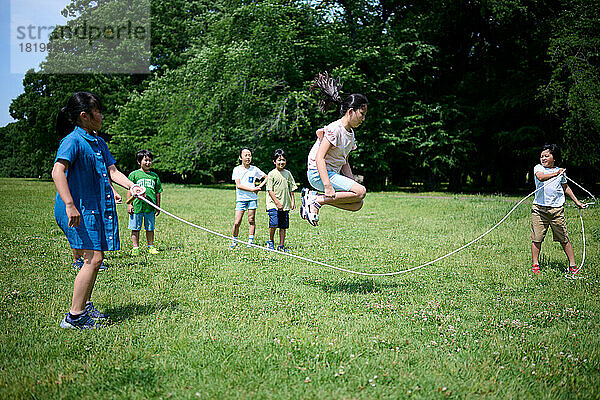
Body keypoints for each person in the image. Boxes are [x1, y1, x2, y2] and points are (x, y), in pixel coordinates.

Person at [52, 92, 145, 329]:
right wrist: (70, 205)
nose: (102, 116)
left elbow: (112, 171)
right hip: (77, 209)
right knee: (94, 258)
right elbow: (57, 172)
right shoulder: (72, 141)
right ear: (84, 115)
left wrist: (132, 186)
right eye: (98, 111)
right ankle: (74, 316)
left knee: (93, 259)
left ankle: (84, 305)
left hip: (90, 209)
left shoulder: (98, 142)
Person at [301, 71, 368, 226]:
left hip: (329, 174)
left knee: (357, 203)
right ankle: (316, 200)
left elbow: (345, 161)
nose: (363, 119)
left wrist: (350, 183)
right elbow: (319, 157)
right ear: (351, 112)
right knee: (361, 192)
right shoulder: (335, 129)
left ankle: (317, 199)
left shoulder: (350, 134)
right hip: (318, 174)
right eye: (362, 114)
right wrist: (327, 186)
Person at [530, 144, 587, 275]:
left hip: (557, 211)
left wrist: (577, 202)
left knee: (564, 238)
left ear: (554, 158)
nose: (543, 158)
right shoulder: (538, 168)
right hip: (539, 210)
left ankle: (572, 265)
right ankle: (535, 265)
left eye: (546, 156)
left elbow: (565, 187)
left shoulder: (560, 172)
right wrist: (556, 173)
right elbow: (540, 177)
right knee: (537, 238)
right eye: (541, 156)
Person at [127, 150, 163, 255]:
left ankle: (150, 246)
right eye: (145, 160)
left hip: (150, 207)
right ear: (139, 161)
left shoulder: (154, 176)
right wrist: (129, 204)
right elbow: (129, 190)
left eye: (150, 160)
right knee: (135, 228)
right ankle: (135, 248)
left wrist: (158, 206)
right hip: (137, 206)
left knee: (150, 228)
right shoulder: (134, 174)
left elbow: (157, 192)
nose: (148, 163)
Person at [231, 147, 266, 248]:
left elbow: (266, 177)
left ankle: (250, 242)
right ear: (240, 157)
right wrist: (252, 189)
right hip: (241, 199)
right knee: (237, 222)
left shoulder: (254, 169)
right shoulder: (237, 169)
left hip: (252, 199)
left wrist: (259, 187)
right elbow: (239, 185)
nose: (248, 157)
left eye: (249, 155)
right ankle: (234, 240)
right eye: (245, 155)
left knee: (251, 220)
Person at [265, 149, 297, 252]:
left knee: (283, 226)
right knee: (274, 223)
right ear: (274, 161)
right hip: (273, 204)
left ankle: (281, 245)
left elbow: (291, 187)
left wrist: (292, 201)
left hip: (285, 204)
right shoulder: (272, 174)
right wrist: (277, 203)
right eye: (279, 160)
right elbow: (270, 190)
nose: (281, 162)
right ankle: (270, 241)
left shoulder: (287, 173)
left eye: (283, 160)